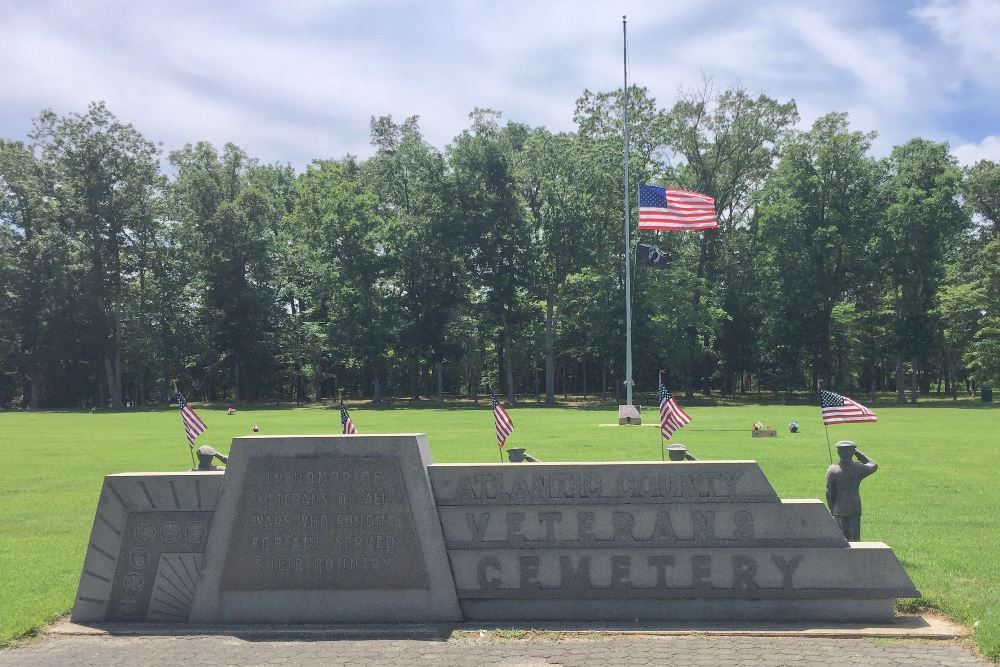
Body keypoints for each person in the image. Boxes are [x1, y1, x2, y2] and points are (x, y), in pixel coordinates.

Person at [825, 441, 878, 541]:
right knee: (855, 540)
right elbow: (873, 465)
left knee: (840, 541)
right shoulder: (858, 468)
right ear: (852, 452)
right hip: (854, 507)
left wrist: (832, 508)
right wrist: (858, 454)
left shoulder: (832, 470)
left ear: (838, 453)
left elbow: (829, 492)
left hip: (839, 508)